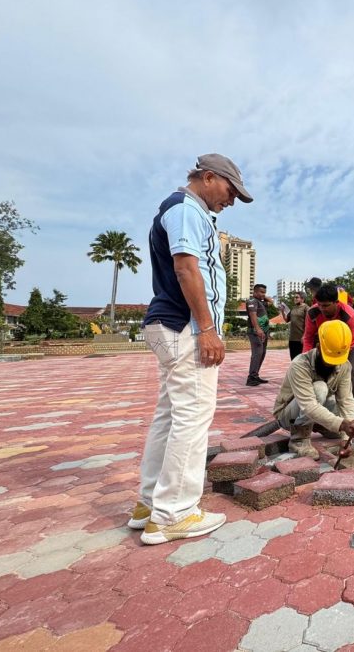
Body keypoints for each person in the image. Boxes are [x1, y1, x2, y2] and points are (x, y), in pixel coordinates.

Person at [130, 153, 253, 545]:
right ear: (208, 177)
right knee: (191, 417)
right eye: (230, 191)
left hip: (168, 325)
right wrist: (207, 329)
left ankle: (150, 504)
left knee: (169, 415)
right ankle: (175, 513)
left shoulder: (185, 210)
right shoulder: (185, 209)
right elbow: (186, 268)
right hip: (185, 326)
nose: (231, 200)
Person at [274, 320, 354, 459]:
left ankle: (321, 425)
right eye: (330, 358)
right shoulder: (300, 364)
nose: (334, 363)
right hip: (289, 415)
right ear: (318, 347)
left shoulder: (344, 365)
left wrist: (346, 436)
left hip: (318, 406)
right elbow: (308, 405)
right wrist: (340, 424)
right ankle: (299, 440)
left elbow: (345, 400)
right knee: (320, 389)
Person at [302, 283, 354, 394]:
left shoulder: (348, 315)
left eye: (325, 305)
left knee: (348, 371)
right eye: (319, 305)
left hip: (351, 342)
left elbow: (351, 340)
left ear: (336, 302)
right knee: (320, 369)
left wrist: (337, 360)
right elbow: (308, 337)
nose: (322, 309)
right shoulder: (312, 313)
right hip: (326, 340)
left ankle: (351, 401)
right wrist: (306, 357)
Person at [245, 283, 273, 386]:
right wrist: (258, 329)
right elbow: (253, 315)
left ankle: (255, 375)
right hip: (255, 331)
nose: (263, 294)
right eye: (261, 292)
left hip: (263, 332)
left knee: (262, 353)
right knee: (257, 353)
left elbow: (272, 302)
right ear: (254, 292)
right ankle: (251, 378)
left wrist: (263, 296)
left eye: (264, 292)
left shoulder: (261, 302)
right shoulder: (252, 301)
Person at [283, 291, 308, 359]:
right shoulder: (293, 308)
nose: (295, 299)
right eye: (294, 297)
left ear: (302, 299)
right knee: (293, 359)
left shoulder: (306, 308)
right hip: (292, 338)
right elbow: (286, 320)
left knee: (301, 360)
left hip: (301, 339)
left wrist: (304, 336)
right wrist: (282, 311)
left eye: (297, 297)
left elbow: (308, 323)